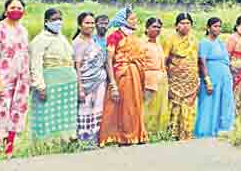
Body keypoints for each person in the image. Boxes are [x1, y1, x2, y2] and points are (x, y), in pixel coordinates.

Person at [0, 0, 31, 158]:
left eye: (19, 8)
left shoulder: (23, 30)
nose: (16, 11)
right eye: (13, 8)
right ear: (6, 11)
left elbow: (25, 55)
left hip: (21, 80)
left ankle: (9, 150)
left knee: (16, 113)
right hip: (2, 79)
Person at [99, 8, 148, 146]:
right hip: (122, 76)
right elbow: (109, 61)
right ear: (123, 21)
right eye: (132, 19)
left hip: (135, 74)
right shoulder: (115, 37)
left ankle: (136, 134)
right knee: (124, 106)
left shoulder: (134, 37)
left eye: (135, 18)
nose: (135, 21)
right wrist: (113, 84)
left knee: (135, 105)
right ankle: (122, 136)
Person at [28, 8, 78, 142]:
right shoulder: (40, 40)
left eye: (60, 19)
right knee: (47, 113)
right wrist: (40, 86)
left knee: (64, 114)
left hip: (67, 83)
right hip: (50, 82)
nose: (58, 22)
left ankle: (65, 139)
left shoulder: (61, 38)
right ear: (46, 21)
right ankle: (45, 143)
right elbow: (35, 64)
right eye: (54, 19)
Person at [71, 12, 107, 147]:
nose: (90, 25)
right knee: (84, 110)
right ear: (79, 25)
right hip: (85, 84)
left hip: (99, 82)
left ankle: (95, 139)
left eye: (92, 23)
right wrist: (80, 89)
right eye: (87, 23)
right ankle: (84, 141)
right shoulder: (77, 43)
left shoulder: (93, 41)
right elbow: (77, 67)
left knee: (97, 110)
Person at [162, 13, 201, 139]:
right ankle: (172, 133)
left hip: (191, 79)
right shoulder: (170, 39)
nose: (185, 26)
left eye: (188, 23)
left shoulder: (194, 40)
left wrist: (199, 77)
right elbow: (164, 59)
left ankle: (187, 132)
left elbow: (197, 60)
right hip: (175, 79)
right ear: (176, 25)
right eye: (182, 23)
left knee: (189, 106)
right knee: (175, 105)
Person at [196, 17, 235, 137]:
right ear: (208, 28)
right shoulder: (205, 42)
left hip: (224, 76)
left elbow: (226, 60)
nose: (218, 29)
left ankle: (223, 128)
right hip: (212, 76)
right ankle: (205, 131)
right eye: (215, 26)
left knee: (225, 101)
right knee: (209, 102)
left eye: (219, 26)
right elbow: (202, 62)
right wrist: (207, 80)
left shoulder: (220, 42)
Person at [142, 17, 169, 137]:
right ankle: (144, 132)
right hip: (149, 79)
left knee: (159, 107)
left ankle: (156, 133)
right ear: (147, 28)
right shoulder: (142, 43)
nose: (157, 29)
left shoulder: (158, 44)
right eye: (154, 26)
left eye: (159, 27)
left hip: (161, 78)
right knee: (147, 106)